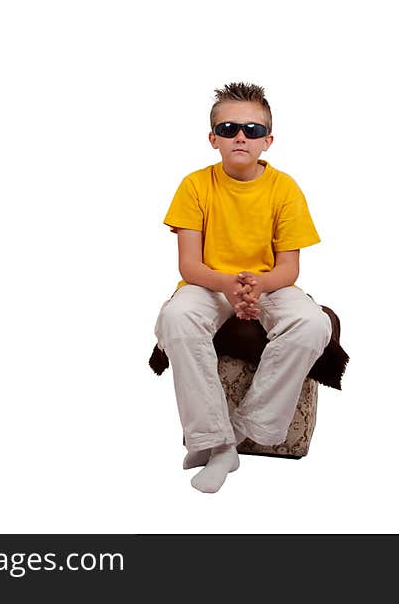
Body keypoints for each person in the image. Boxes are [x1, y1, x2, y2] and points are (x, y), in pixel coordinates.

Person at [153, 82, 332, 493]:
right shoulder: (195, 186)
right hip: (210, 282)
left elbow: (289, 268)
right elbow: (189, 264)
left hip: (266, 284)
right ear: (213, 138)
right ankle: (213, 441)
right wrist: (229, 287)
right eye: (229, 127)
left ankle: (238, 432)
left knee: (311, 324)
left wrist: (257, 285)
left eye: (252, 130)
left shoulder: (284, 188)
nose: (240, 136)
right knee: (176, 318)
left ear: (267, 141)